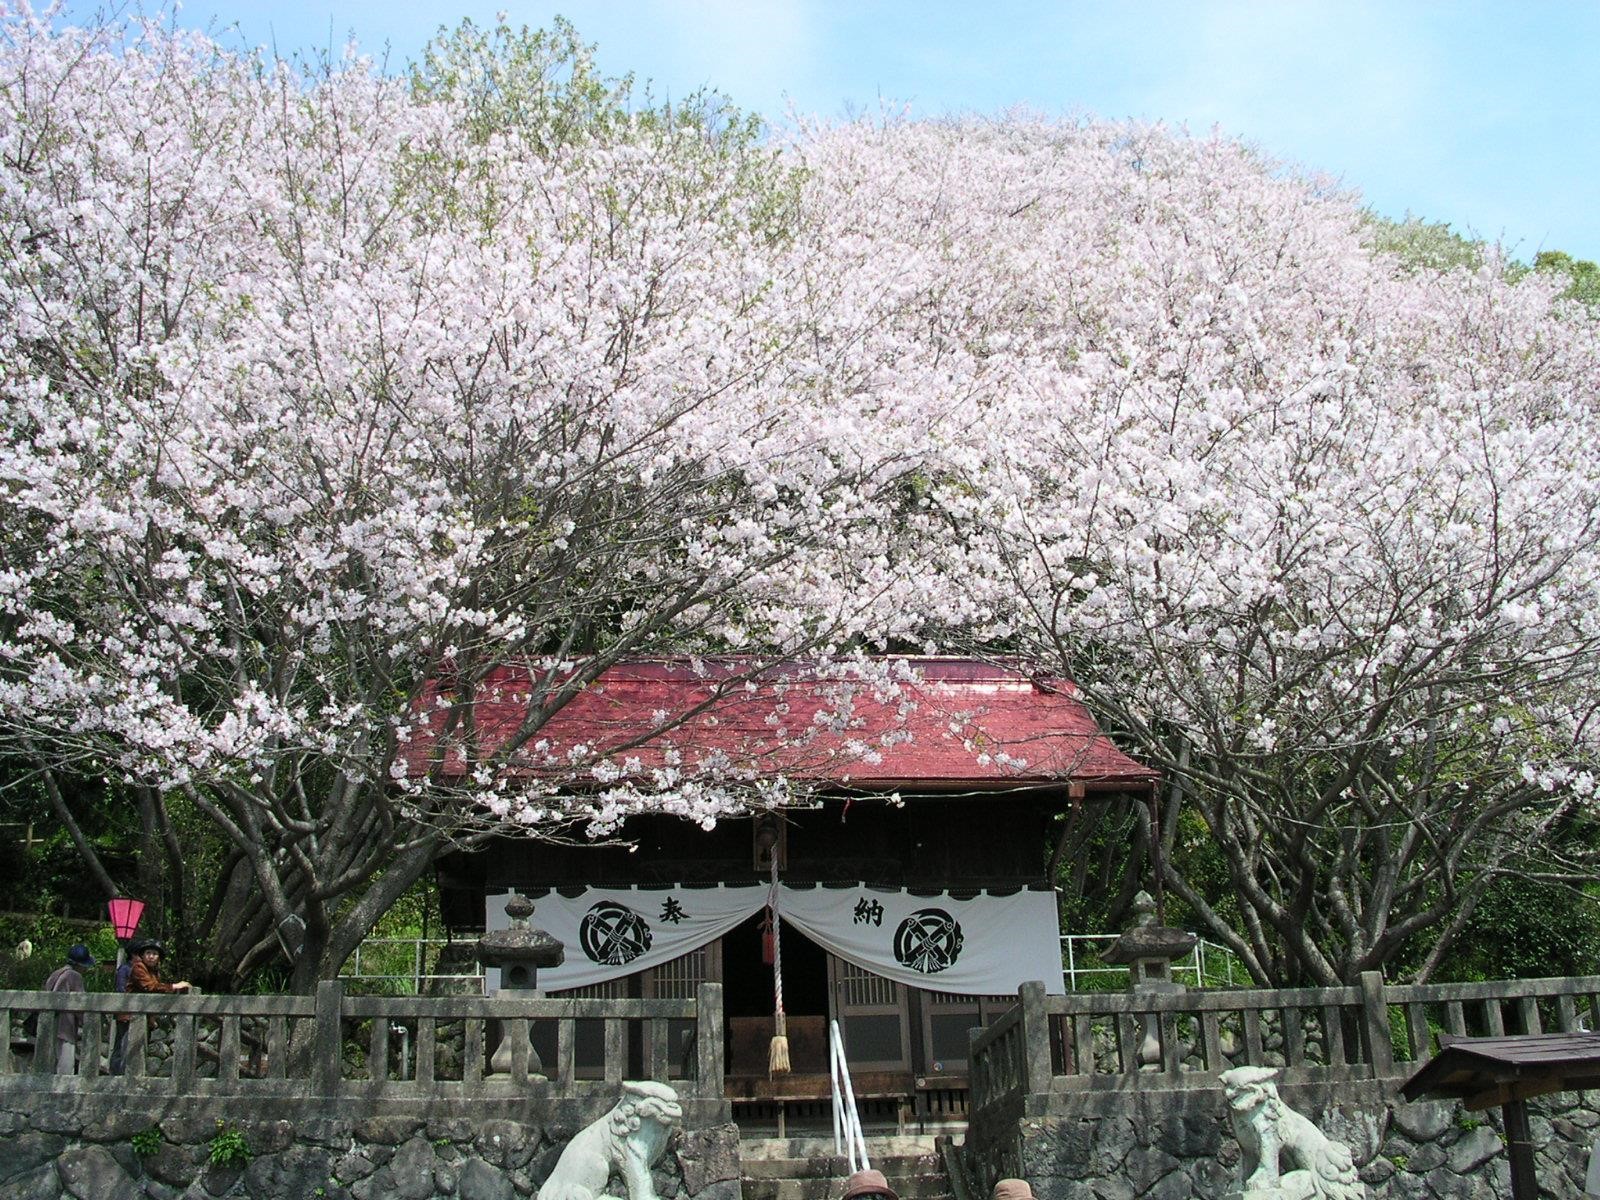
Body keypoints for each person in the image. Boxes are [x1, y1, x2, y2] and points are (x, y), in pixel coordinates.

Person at [111, 938, 191, 1075]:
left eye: (154, 953)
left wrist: (152, 1018)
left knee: (138, 1050)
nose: (151, 956)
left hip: (141, 1016)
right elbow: (149, 987)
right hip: (129, 1015)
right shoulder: (138, 968)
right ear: (142, 955)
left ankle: (132, 1077)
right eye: (148, 953)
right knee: (126, 1049)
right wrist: (174, 986)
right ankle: (120, 1079)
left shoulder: (153, 971)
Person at [41, 944, 95, 1074]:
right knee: (65, 1066)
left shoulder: (56, 973)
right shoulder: (75, 976)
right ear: (81, 964)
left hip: (49, 1025)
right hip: (65, 1026)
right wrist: (87, 1022)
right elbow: (80, 1003)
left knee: (49, 1066)